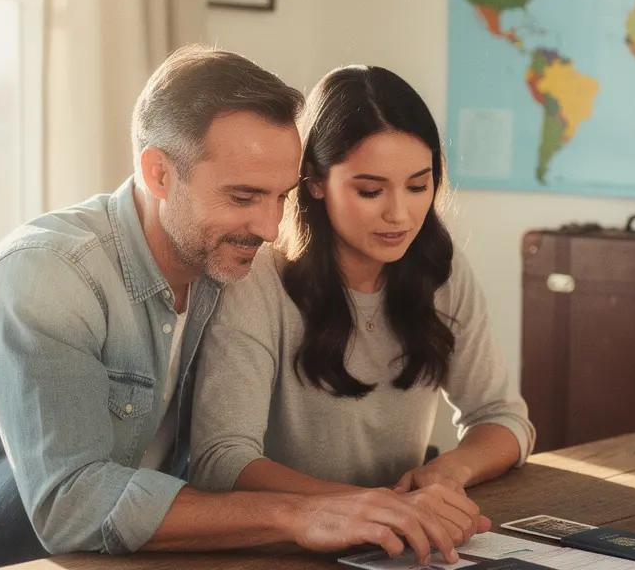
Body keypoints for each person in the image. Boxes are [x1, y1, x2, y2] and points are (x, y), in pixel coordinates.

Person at [0, 46, 485, 570]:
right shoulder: (45, 276)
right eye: (243, 198)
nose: (271, 229)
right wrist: (303, 513)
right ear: (157, 174)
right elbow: (71, 504)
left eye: (282, 197)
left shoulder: (220, 266)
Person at [189, 64, 536, 517]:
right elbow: (221, 461)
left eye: (418, 185)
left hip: (399, 534)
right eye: (371, 191)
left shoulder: (441, 271)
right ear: (314, 180)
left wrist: (450, 471)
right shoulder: (258, 280)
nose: (401, 215)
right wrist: (365, 507)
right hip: (283, 543)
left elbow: (503, 418)